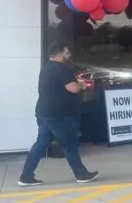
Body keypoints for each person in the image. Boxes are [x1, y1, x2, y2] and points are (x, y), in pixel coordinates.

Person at [19, 44, 98, 187]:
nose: (69, 55)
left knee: (41, 143)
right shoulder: (61, 69)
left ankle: (26, 176)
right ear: (60, 54)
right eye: (67, 53)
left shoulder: (46, 68)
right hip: (59, 115)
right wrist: (83, 85)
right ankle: (81, 174)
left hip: (44, 112)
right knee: (69, 144)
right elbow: (73, 88)